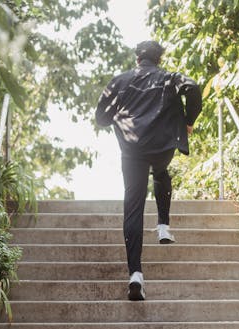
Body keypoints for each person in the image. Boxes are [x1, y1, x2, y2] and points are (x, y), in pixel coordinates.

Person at [95, 40, 202, 301]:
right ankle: (163, 225)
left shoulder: (120, 80)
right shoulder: (169, 77)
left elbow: (101, 118)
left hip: (132, 151)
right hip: (162, 146)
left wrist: (116, 118)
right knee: (161, 171)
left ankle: (135, 274)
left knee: (133, 205)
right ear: (159, 58)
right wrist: (188, 120)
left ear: (137, 59)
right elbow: (194, 88)